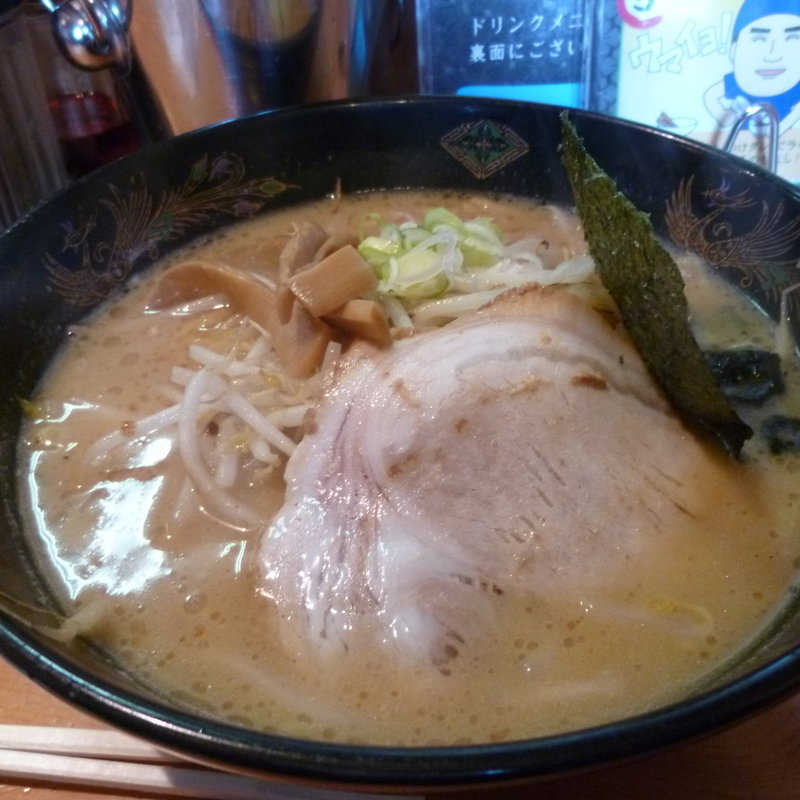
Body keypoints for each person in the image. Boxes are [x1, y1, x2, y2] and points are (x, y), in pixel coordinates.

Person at [704, 0, 800, 138]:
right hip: (734, 150)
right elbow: (711, 96)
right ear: (733, 50)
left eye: (792, 38)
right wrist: (725, 118)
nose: (773, 55)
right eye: (758, 39)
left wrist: (778, 131)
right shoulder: (737, 81)